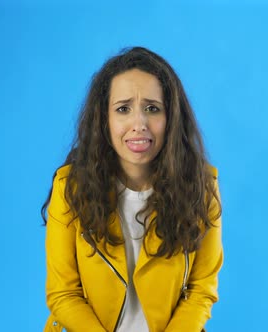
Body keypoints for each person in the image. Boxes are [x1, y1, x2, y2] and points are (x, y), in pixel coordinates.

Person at [41, 46, 223, 332]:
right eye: (123, 109)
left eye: (152, 108)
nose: (139, 124)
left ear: (171, 118)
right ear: (104, 119)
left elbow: (201, 291)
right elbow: (64, 294)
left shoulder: (202, 187)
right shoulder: (70, 187)